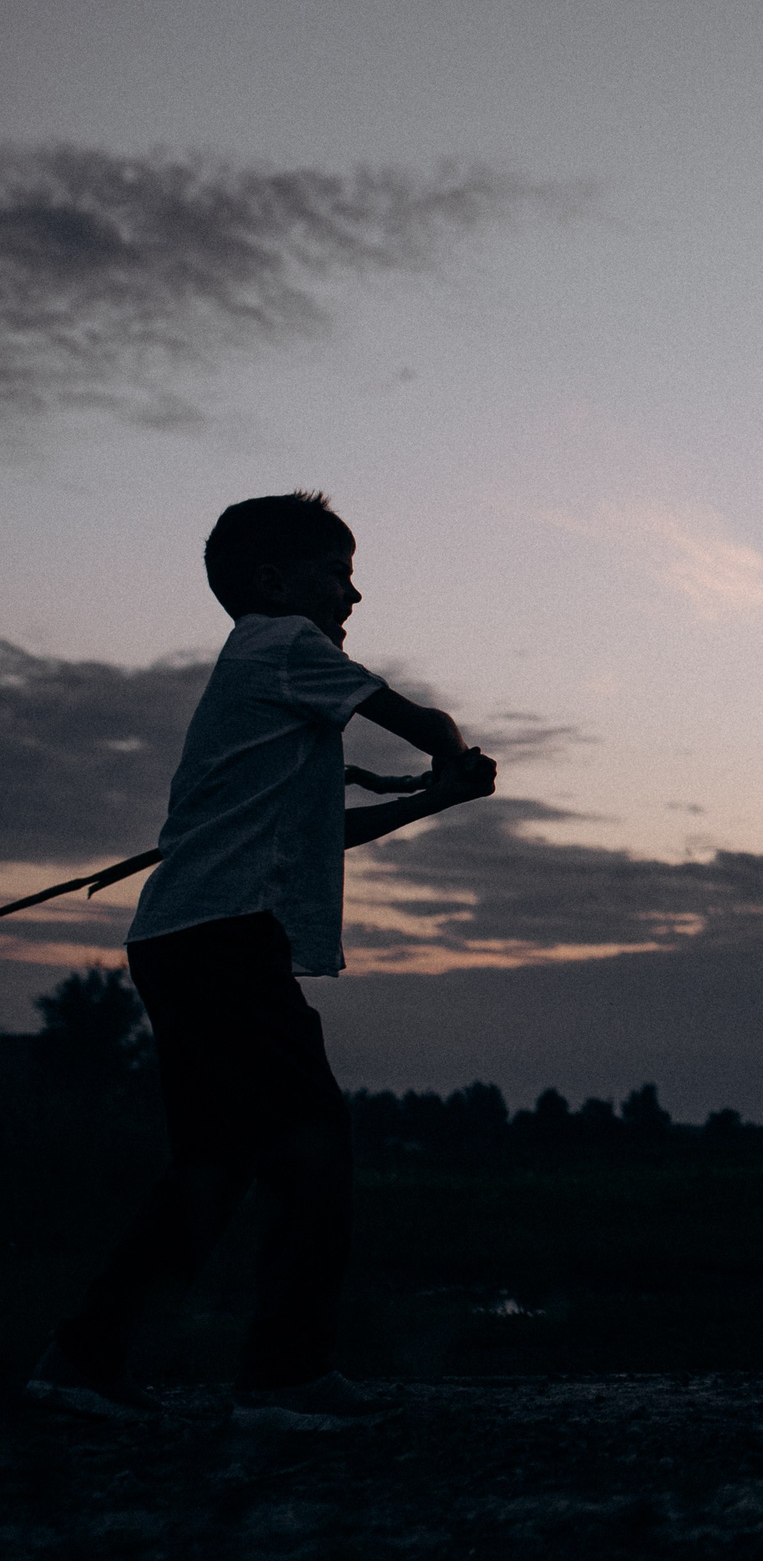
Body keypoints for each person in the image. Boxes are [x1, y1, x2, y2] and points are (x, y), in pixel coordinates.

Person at [23, 491, 499, 1427]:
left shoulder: (264, 675)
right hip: (224, 940)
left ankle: (83, 1360)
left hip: (183, 937)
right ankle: (285, 1376)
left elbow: (319, 834)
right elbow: (425, 722)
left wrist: (435, 802)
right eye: (338, 571)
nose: (353, 593)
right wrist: (452, 757)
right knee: (312, 1140)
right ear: (274, 582)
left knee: (214, 1163)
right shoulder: (286, 646)